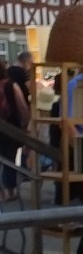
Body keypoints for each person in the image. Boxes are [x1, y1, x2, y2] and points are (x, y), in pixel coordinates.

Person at [0, 63, 30, 201]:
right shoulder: (11, 86)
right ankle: (11, 190)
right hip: (11, 130)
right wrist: (25, 126)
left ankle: (1, 193)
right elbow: (22, 107)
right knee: (10, 160)